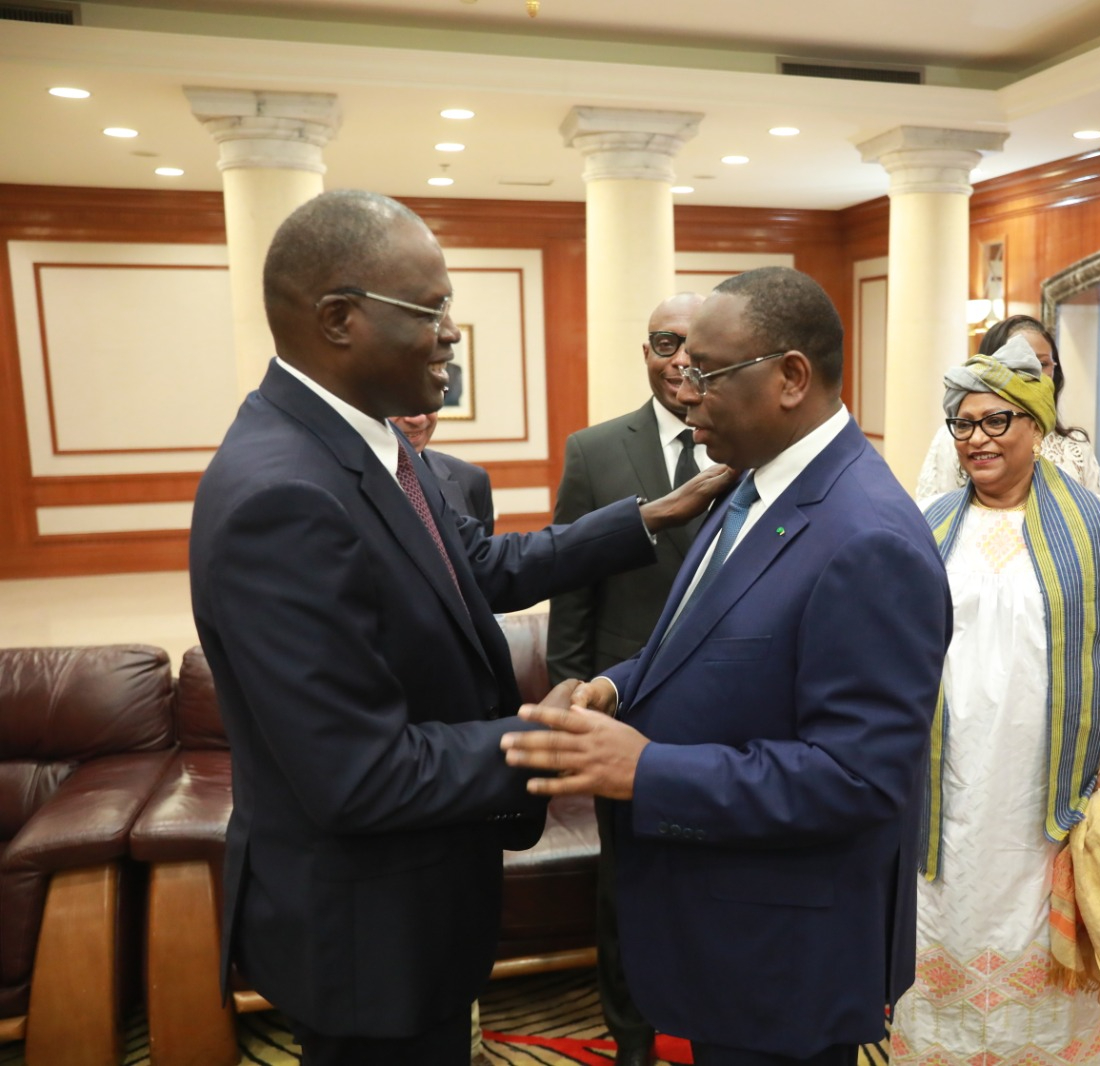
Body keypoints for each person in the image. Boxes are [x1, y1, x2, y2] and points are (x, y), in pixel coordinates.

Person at [188, 189, 726, 1065]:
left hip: (420, 898)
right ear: (339, 319)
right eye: (432, 309)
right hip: (366, 927)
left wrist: (655, 515)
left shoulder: (371, 445)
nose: (451, 333)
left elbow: (480, 570)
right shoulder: (281, 497)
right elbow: (357, 774)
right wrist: (558, 739)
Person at [502, 266, 953, 1066]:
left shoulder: (867, 537)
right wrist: (614, 688)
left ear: (790, 377)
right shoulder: (749, 488)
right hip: (725, 922)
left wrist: (647, 770)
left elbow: (859, 778)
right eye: (679, 371)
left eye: (706, 373)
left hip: (786, 952)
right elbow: (697, 640)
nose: (686, 394)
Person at [889, 337, 1100, 1066]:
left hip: (1054, 787)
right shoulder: (929, 526)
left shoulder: (1094, 522)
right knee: (946, 909)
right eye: (963, 424)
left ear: (1037, 428)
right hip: (947, 783)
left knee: (1049, 938)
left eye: (997, 422)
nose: (976, 439)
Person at [545, 290, 708, 1066]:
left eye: (694, 343)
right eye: (663, 342)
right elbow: (573, 589)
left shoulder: (755, 445)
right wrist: (570, 693)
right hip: (624, 708)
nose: (680, 358)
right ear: (644, 352)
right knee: (627, 890)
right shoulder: (596, 449)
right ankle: (633, 1039)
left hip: (728, 715)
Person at [914, 314, 1100, 498]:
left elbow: (1096, 515)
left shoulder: (1075, 446)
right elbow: (935, 513)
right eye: (1021, 364)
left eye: (1042, 363)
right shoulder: (955, 440)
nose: (1033, 373)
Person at [392, 410, 496, 533]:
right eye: (399, 401)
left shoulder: (471, 480)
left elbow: (480, 550)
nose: (418, 419)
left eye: (428, 399)